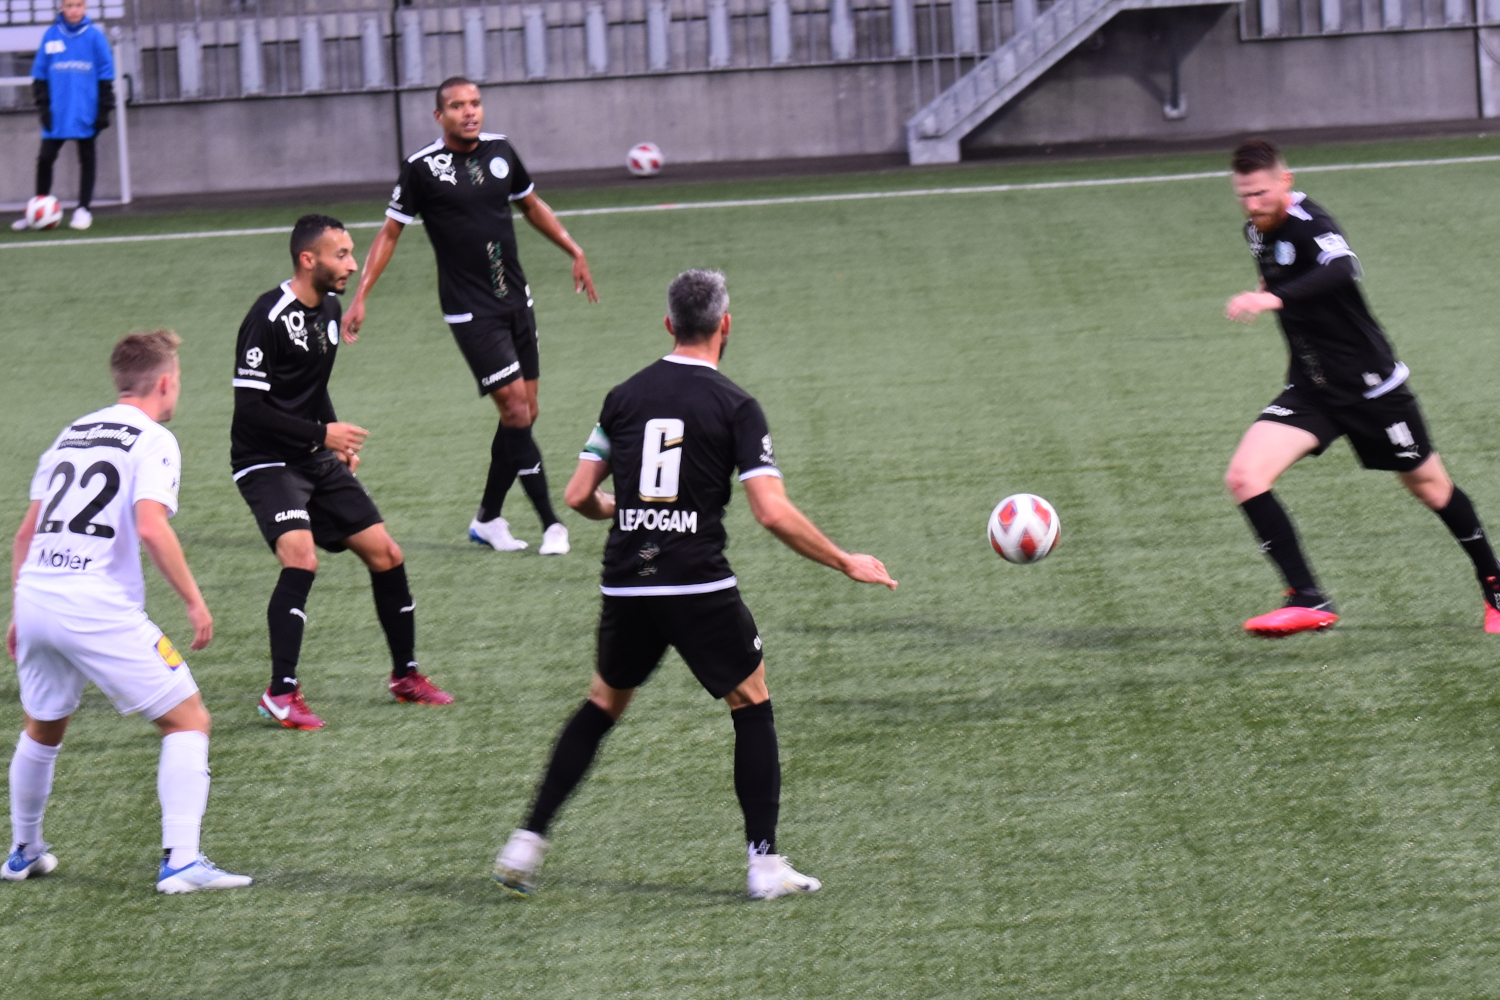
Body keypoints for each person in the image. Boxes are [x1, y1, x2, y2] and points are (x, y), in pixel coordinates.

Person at [491, 270, 897, 900]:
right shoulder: (736, 405)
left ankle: (525, 843)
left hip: (627, 583)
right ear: (725, 325)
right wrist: (844, 560)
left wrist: (624, 510)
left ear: (669, 325)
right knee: (751, 700)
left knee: (602, 704)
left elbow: (577, 496)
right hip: (696, 585)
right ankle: (764, 865)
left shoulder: (623, 396)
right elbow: (771, 512)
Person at [6, 330, 252, 893]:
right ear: (164, 382)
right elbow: (151, 526)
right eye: (178, 379)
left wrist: (20, 610)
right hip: (92, 605)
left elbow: (25, 534)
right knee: (188, 720)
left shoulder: (72, 432)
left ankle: (23, 851)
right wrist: (193, 600)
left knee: (42, 729)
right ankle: (182, 862)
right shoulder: (154, 439)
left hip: (38, 594)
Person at [1223, 137, 1500, 637]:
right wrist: (1272, 296)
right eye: (1244, 195)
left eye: (1261, 192)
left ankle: (1495, 587)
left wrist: (1274, 299)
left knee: (1430, 487)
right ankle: (1307, 597)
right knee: (1245, 476)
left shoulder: (1311, 224)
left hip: (1371, 389)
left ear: (1285, 181)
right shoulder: (1256, 232)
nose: (1253, 204)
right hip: (1312, 390)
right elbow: (1285, 282)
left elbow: (1342, 267)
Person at [344, 76, 598, 556]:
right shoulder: (422, 167)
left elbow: (531, 205)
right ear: (439, 116)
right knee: (516, 410)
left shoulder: (502, 151)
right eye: (458, 105)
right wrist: (361, 295)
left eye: (475, 103)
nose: (469, 112)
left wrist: (574, 249)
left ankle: (487, 519)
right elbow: (390, 233)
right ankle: (551, 523)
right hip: (470, 311)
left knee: (525, 413)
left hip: (516, 300)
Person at [233, 214, 452, 730]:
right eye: (342, 255)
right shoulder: (267, 316)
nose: (353, 265)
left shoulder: (329, 310)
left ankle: (405, 676)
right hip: (266, 461)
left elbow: (312, 387)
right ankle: (280, 693)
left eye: (352, 253)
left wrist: (333, 442)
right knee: (301, 558)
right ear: (308, 259)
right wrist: (322, 435)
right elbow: (250, 409)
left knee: (386, 554)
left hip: (314, 455)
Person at [11, 0, 114, 232]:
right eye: (69, 5)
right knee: (45, 158)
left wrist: (104, 109)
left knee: (87, 157)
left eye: (78, 5)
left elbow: (106, 76)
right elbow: (39, 75)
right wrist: (43, 108)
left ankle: (83, 209)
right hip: (57, 112)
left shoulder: (95, 37)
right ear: (61, 7)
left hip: (85, 110)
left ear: (85, 7)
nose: (74, 10)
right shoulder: (51, 35)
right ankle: (38, 208)